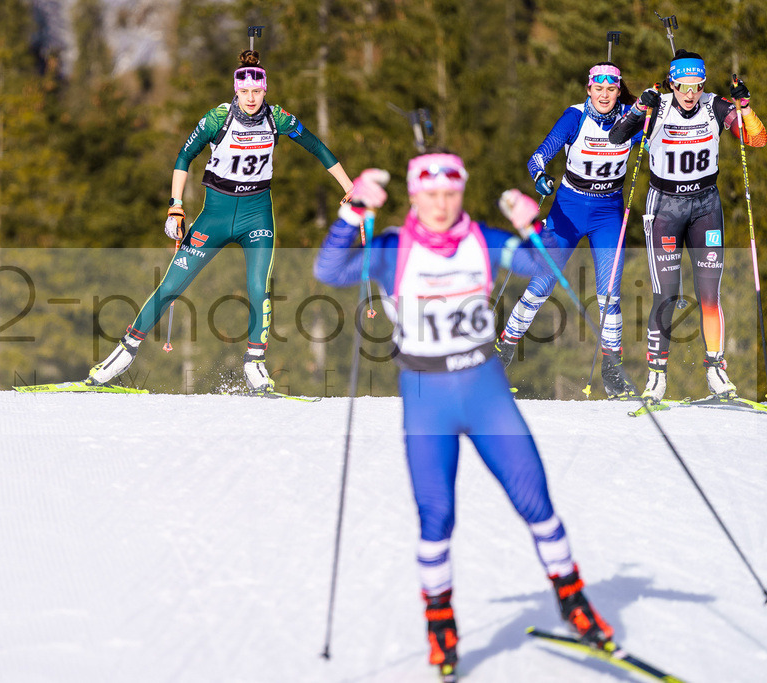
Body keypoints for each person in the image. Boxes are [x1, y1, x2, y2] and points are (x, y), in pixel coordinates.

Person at [314, 153, 613, 681]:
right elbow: (329, 269)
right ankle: (441, 621)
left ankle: (574, 601)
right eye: (429, 195)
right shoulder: (390, 248)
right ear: (412, 196)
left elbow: (544, 269)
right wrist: (352, 211)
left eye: (450, 194)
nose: (440, 204)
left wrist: (535, 227)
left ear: (462, 193)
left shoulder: (483, 239)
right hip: (426, 395)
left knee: (535, 500)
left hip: (485, 390)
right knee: (437, 519)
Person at [86, 50, 354, 392]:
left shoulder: (278, 119)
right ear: (236, 90)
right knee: (171, 286)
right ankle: (123, 353)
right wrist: (175, 206)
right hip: (215, 215)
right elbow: (184, 156)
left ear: (265, 90)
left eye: (258, 92)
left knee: (260, 287)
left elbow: (317, 146)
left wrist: (349, 187)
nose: (252, 98)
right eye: (245, 92)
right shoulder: (218, 119)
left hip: (257, 214)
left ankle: (255, 362)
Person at [609, 50, 765, 401]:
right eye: (683, 87)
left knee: (710, 295)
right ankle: (656, 376)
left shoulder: (715, 106)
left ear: (703, 84)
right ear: (672, 84)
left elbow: (755, 138)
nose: (690, 94)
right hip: (665, 207)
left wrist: (745, 108)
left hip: (705, 206)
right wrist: (638, 109)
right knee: (667, 295)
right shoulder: (659, 106)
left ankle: (715, 370)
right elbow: (617, 138)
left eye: (696, 86)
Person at [496, 62, 644, 399]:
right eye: (598, 89)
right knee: (541, 284)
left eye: (611, 89)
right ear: (589, 89)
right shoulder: (574, 116)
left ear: (618, 90)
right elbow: (539, 155)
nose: (604, 95)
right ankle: (501, 353)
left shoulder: (632, 119)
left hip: (608, 212)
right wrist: (540, 177)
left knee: (610, 294)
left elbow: (658, 145)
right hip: (569, 209)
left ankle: (613, 372)